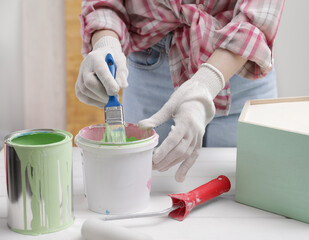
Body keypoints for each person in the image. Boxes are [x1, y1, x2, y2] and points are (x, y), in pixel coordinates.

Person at [76, 0, 285, 182]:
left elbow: (258, 17)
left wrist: (206, 83)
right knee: (147, 187)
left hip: (241, 74)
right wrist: (106, 43)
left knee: (249, 196)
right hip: (150, 73)